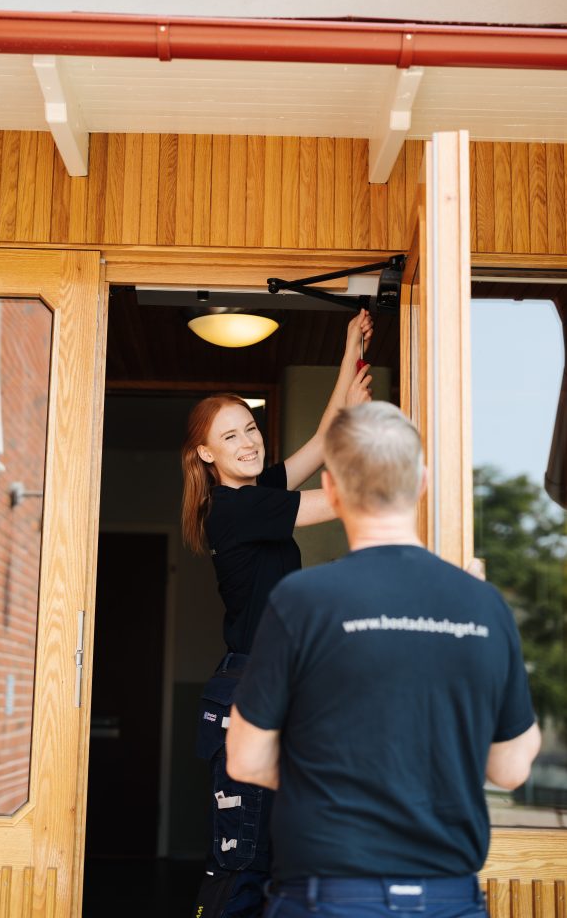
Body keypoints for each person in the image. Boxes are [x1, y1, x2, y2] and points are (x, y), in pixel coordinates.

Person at [227, 401, 541, 918]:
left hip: (328, 897)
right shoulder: (483, 605)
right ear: (422, 483)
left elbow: (246, 759)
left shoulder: (301, 601)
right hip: (447, 900)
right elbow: (509, 767)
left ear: (331, 490)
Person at [182, 309, 374, 918]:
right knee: (244, 865)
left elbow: (320, 443)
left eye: (250, 428)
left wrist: (350, 349)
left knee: (273, 860)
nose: (248, 442)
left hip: (268, 684)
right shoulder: (235, 509)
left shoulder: (255, 494)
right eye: (230, 437)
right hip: (249, 692)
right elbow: (342, 497)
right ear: (206, 453)